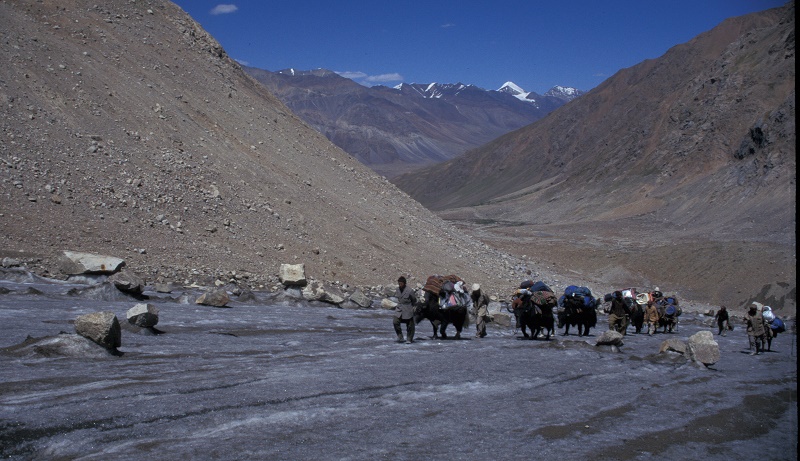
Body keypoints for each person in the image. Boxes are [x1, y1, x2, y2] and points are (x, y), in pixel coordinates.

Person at [392, 276, 417, 343]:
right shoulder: (397, 289)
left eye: (401, 283)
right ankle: (400, 336)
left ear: (404, 283)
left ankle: (409, 338)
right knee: (395, 322)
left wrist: (412, 308)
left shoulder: (409, 290)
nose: (400, 285)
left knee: (410, 325)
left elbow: (414, 300)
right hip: (399, 309)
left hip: (408, 309)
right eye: (399, 283)